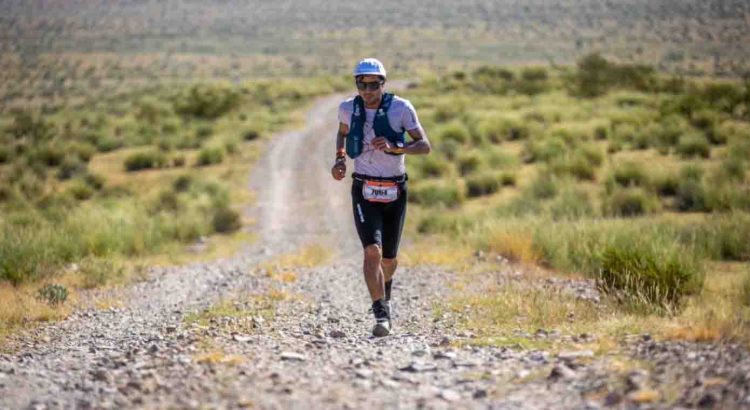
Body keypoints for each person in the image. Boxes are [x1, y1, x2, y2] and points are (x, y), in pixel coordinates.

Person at [331, 58, 431, 337]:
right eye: (361, 83)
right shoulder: (347, 108)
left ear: (383, 83)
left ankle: (384, 291)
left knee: (389, 260)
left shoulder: (401, 108)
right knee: (371, 252)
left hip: (395, 189)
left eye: (373, 84)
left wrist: (396, 147)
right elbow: (342, 134)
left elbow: (424, 146)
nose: (367, 89)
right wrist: (340, 161)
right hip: (364, 187)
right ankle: (381, 313)